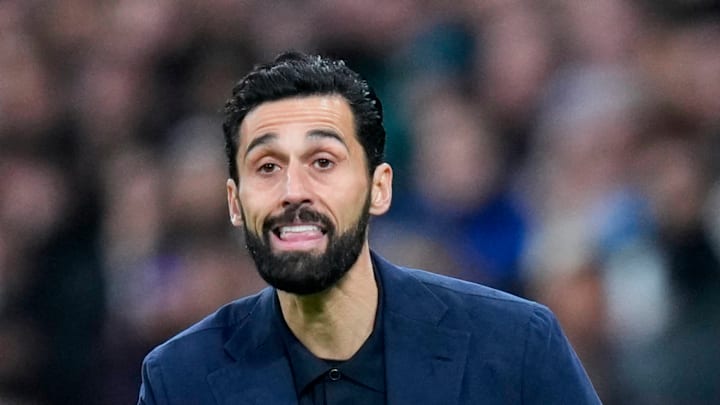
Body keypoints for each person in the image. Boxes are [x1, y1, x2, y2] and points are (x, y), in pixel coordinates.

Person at [137, 51, 600, 404]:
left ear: (379, 189)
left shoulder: (515, 346)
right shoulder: (179, 380)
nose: (293, 191)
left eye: (323, 162)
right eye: (267, 167)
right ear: (235, 203)